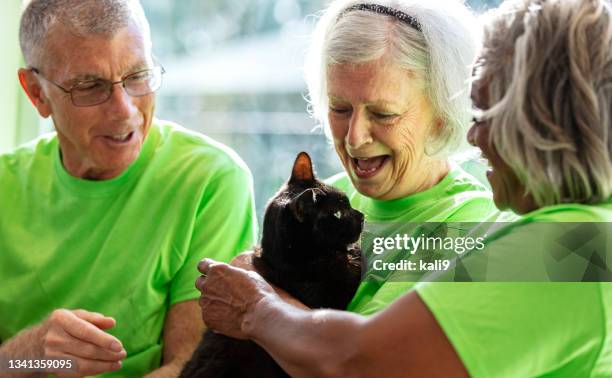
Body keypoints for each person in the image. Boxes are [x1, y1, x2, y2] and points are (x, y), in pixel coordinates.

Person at [196, 0, 612, 376]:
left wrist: (255, 307)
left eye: (483, 111)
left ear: (538, 123)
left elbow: (361, 363)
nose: (471, 136)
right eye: (339, 108)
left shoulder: (576, 247)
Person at [0, 0, 257, 377]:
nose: (125, 111)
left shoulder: (208, 179)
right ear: (37, 93)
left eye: (138, 76)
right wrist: (35, 354)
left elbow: (189, 367)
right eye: (89, 86)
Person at [304, 0, 504, 316]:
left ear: (444, 114)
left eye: (384, 114)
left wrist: (257, 301)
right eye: (340, 109)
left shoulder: (474, 222)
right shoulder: (326, 196)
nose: (355, 137)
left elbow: (355, 357)